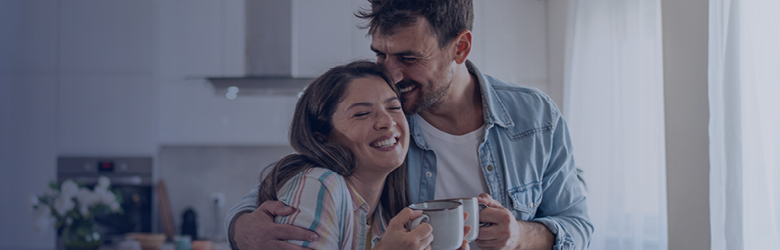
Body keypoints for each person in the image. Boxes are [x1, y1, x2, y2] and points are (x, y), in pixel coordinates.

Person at [229, 1, 591, 249]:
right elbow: (271, 198)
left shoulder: (535, 116)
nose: (390, 73)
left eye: (409, 57)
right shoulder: (385, 126)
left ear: (460, 48)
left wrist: (519, 237)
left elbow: (578, 226)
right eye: (380, 54)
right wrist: (241, 231)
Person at [256, 61, 469, 250]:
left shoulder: (384, 215)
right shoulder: (320, 185)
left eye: (394, 107)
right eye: (362, 114)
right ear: (322, 137)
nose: (387, 121)